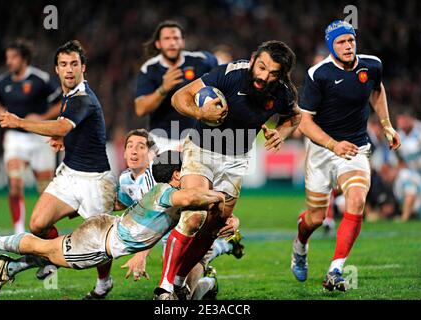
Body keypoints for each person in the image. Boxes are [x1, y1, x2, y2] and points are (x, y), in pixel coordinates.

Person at [154, 40, 301, 299]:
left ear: (281, 76)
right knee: (194, 215)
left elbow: (295, 116)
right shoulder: (229, 74)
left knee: (214, 225)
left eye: (273, 73)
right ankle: (164, 287)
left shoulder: (284, 93)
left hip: (235, 160)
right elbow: (179, 97)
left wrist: (281, 132)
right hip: (201, 151)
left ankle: (179, 279)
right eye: (262, 66)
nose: (264, 75)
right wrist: (200, 114)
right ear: (254, 58)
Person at [0, 151, 226, 296]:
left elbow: (194, 207)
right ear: (176, 174)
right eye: (187, 170)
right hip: (98, 243)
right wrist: (219, 197)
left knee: (53, 253)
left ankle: (8, 268)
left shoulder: (164, 193)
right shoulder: (165, 191)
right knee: (46, 249)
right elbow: (192, 197)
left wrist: (225, 215)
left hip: (104, 231)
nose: (194, 177)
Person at [0, 40, 117, 299]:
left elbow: (62, 125)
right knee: (38, 224)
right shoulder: (69, 95)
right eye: (64, 65)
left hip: (96, 180)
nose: (69, 69)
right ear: (57, 70)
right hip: (70, 174)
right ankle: (52, 256)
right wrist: (66, 140)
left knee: (100, 244)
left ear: (83, 67)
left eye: (74, 64)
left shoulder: (83, 98)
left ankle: (104, 282)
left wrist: (19, 122)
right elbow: (73, 129)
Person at [290, 20, 401, 291]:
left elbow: (377, 90)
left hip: (355, 148)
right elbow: (304, 123)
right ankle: (300, 247)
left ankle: (335, 269)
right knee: (315, 219)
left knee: (356, 198)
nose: (348, 46)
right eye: (341, 42)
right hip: (320, 150)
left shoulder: (372, 65)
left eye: (351, 40)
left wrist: (386, 124)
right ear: (331, 46)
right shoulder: (319, 74)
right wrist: (332, 144)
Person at [116, 129, 244, 300]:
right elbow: (124, 203)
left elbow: (205, 197)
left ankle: (210, 279)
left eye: (140, 147)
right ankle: (225, 248)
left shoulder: (167, 176)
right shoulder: (125, 179)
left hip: (191, 236)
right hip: (169, 240)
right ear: (123, 152)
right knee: (179, 287)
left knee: (183, 294)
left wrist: (233, 219)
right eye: (130, 146)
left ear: (151, 153)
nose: (134, 151)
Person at [0, 39, 62, 234]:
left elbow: (60, 104)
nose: (9, 61)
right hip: (15, 138)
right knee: (15, 184)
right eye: (7, 57)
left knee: (45, 191)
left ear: (24, 59)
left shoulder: (40, 79)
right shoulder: (2, 83)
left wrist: (42, 118)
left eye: (13, 57)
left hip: (39, 137)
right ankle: (18, 231)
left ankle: (44, 231)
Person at [134, 20, 218, 152]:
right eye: (167, 38)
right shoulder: (149, 69)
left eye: (176, 38)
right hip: (162, 140)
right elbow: (140, 109)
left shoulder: (200, 61)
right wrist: (163, 89)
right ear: (158, 44)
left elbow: (220, 67)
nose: (172, 42)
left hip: (195, 137)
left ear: (183, 42)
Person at [396, 110, 421, 182]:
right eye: (399, 119)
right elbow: (399, 160)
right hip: (412, 173)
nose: (401, 122)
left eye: (404, 118)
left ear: (411, 119)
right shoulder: (397, 135)